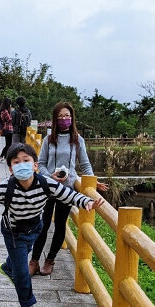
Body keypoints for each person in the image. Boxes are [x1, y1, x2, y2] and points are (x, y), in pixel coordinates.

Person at [0, 142, 104, 307]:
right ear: (10, 169)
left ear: (35, 165)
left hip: (35, 229)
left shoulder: (45, 183)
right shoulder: (6, 187)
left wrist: (88, 202)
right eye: (16, 162)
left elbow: (69, 195)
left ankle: (8, 266)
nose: (22, 165)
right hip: (13, 233)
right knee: (22, 273)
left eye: (26, 160)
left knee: (18, 262)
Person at [29, 101, 109, 276]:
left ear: (72, 118)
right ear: (55, 119)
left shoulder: (77, 140)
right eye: (60, 116)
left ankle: (50, 260)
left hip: (67, 190)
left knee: (60, 225)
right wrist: (50, 176)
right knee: (43, 224)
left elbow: (85, 165)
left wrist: (92, 181)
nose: (64, 119)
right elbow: (40, 164)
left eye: (67, 116)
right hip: (48, 187)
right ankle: (34, 261)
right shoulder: (48, 140)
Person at [0, 98, 13, 162]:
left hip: (5, 128)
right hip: (8, 128)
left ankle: (4, 157)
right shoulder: (6, 111)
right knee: (9, 144)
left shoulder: (2, 111)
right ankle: (2, 156)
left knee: (8, 144)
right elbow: (9, 119)